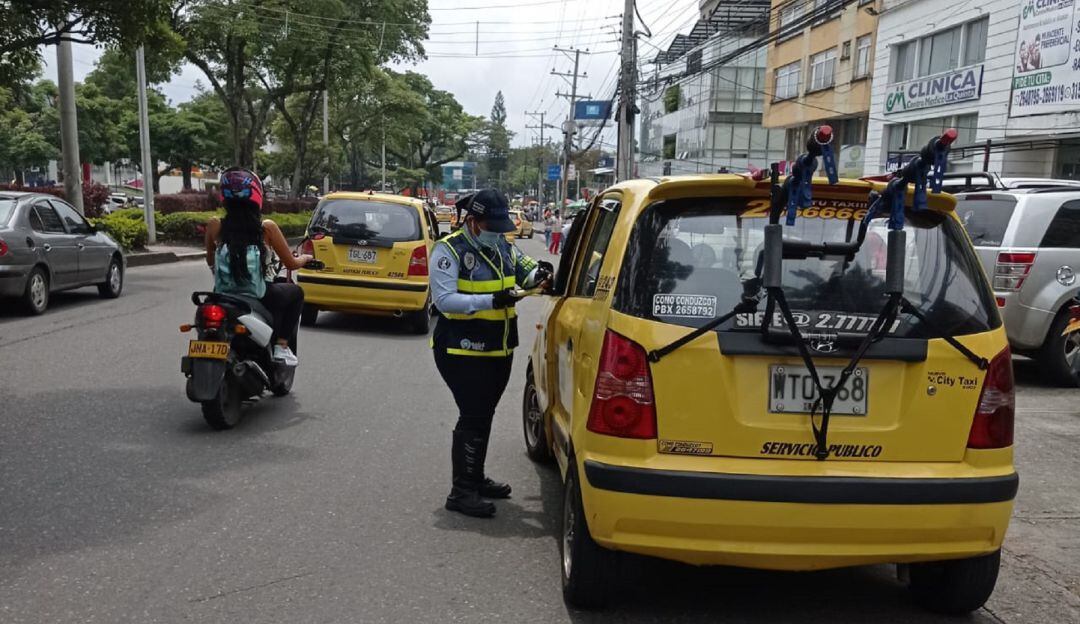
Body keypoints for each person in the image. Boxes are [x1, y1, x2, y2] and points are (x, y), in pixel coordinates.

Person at [430, 189, 553, 518]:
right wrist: (491, 300)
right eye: (490, 225)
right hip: (461, 348)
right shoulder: (449, 250)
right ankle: (461, 491)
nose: (496, 232)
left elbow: (524, 269)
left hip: (499, 346)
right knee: (473, 415)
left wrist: (538, 275)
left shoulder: (501, 244)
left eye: (500, 227)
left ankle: (474, 477)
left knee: (484, 414)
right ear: (472, 221)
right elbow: (444, 300)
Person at [204, 168, 313, 366]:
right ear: (256, 196)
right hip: (258, 294)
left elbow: (210, 261)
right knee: (296, 293)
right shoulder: (267, 228)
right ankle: (281, 346)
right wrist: (305, 258)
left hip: (222, 294)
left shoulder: (214, 225)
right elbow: (290, 263)